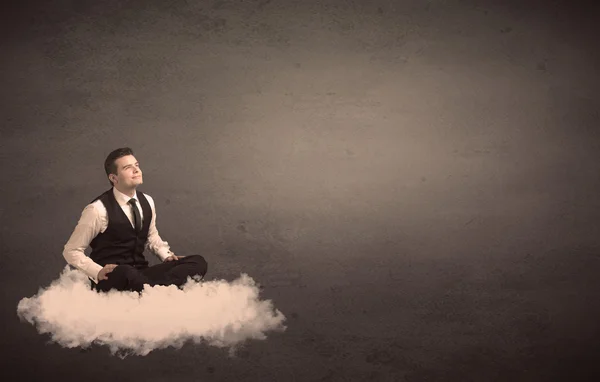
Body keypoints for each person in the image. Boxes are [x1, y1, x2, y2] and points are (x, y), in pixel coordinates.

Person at [63, 147, 208, 293]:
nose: (136, 170)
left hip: (141, 273)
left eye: (136, 165)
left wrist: (166, 256)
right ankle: (157, 291)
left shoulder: (147, 201)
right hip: (115, 278)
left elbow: (151, 236)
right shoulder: (97, 209)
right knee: (126, 272)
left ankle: (149, 290)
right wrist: (97, 271)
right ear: (114, 178)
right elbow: (71, 250)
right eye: (128, 168)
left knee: (197, 262)